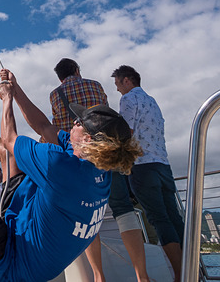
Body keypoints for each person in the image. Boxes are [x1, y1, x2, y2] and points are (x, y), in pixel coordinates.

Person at [0, 70, 142, 282]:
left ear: (87, 140)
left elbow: (9, 139)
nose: (74, 122)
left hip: (9, 264)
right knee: (10, 157)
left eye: (79, 122)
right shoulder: (101, 170)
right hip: (35, 253)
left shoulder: (59, 164)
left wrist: (7, 98)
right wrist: (17, 89)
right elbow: (44, 126)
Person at [51, 59, 150, 282]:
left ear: (60, 77)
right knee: (123, 209)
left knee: (86, 214)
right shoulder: (95, 85)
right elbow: (106, 114)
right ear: (77, 70)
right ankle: (141, 275)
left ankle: (98, 276)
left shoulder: (55, 94)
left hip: (81, 159)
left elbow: (56, 125)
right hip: (107, 151)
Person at [112, 65, 184, 282]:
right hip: (163, 165)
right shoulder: (152, 101)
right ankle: (193, 270)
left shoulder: (128, 99)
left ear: (127, 80)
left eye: (117, 84)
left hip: (142, 166)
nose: (117, 90)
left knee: (159, 219)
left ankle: (181, 275)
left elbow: (126, 132)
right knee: (174, 217)